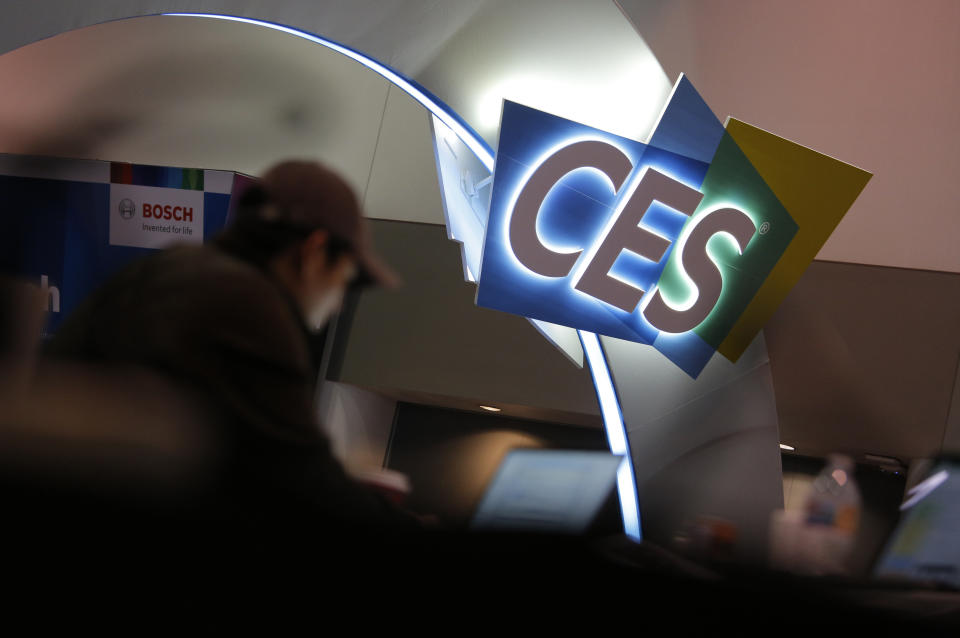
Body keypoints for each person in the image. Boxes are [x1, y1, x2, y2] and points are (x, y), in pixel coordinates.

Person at [44, 159, 418, 533]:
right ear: (315, 250)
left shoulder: (169, 268)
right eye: (346, 277)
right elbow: (302, 478)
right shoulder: (251, 305)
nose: (338, 302)